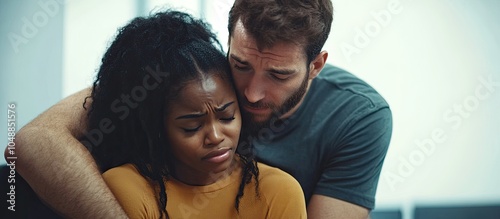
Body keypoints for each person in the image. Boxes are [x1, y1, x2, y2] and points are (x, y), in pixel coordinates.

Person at [6, 0, 392, 218]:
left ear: (316, 66)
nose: (252, 93)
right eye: (241, 64)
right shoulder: (200, 70)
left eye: (278, 74)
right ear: (228, 42)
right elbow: (31, 140)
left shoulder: (359, 116)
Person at [89, 10, 306, 218]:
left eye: (227, 117)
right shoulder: (128, 188)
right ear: (157, 128)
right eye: (192, 127)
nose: (215, 136)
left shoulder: (278, 192)